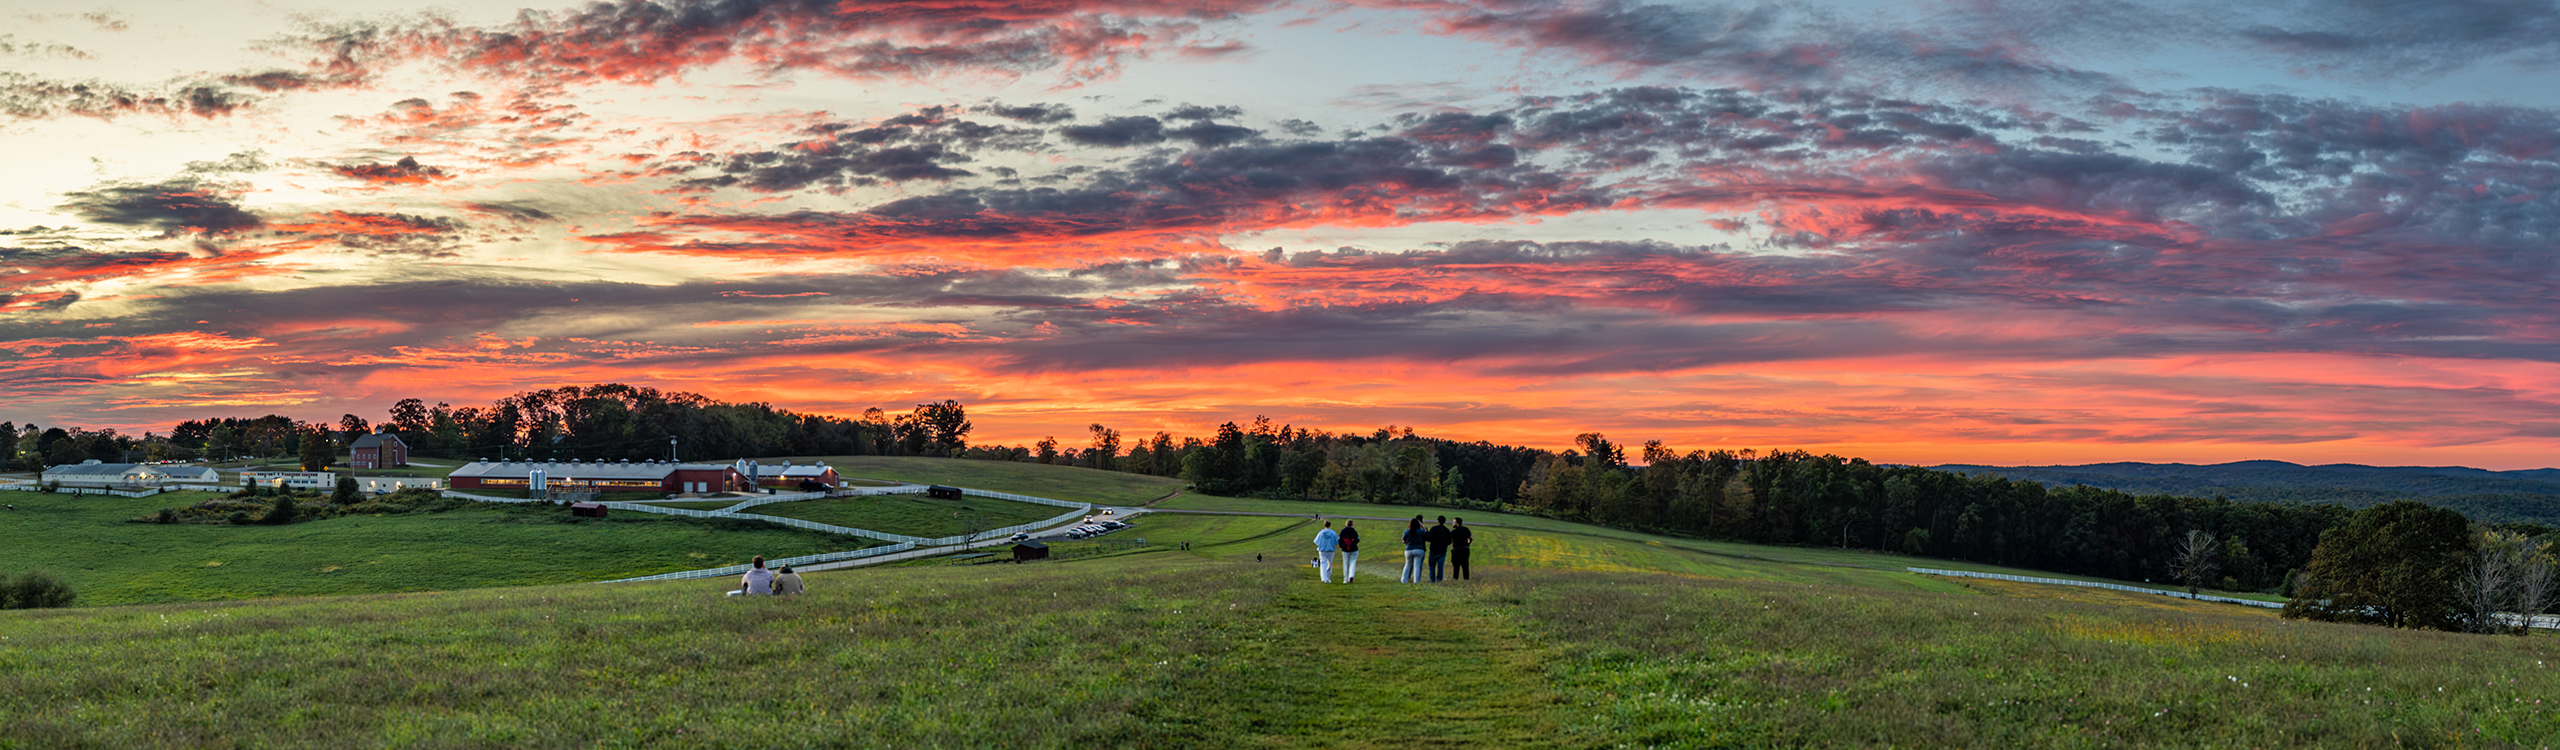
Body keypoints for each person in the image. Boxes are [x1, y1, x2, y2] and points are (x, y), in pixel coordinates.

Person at [1400, 516, 1427, 584]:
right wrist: (1421, 525)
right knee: (1417, 566)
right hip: (1419, 549)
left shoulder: (1407, 531)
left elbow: (1403, 540)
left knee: (1407, 565)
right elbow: (1426, 532)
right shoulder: (1420, 531)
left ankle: (1404, 580)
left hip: (1409, 549)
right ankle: (1416, 581)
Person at [1426, 516, 1452, 582]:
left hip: (1433, 550)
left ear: (1438, 521)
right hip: (1442, 551)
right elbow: (1449, 542)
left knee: (1432, 566)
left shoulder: (1434, 529)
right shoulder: (1447, 530)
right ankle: (1439, 580)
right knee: (1440, 567)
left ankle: (1432, 580)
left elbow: (1428, 538)